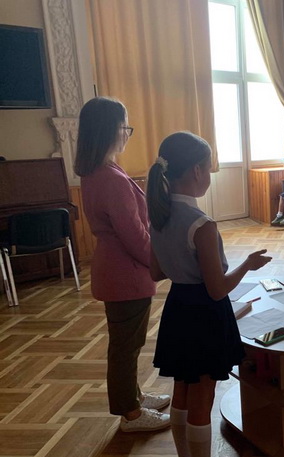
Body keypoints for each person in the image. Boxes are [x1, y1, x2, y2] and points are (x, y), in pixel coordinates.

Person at [147, 131, 271, 457]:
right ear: (197, 171)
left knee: (182, 391)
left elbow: (156, 272)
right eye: (209, 167)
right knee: (202, 398)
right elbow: (217, 290)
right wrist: (247, 265)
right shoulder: (202, 224)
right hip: (204, 314)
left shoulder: (159, 216)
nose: (210, 173)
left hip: (178, 309)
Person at [74, 97, 170, 433]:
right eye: (124, 126)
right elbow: (134, 236)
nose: (127, 133)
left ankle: (134, 397)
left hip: (117, 270)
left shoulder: (97, 171)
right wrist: (162, 264)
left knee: (128, 344)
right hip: (125, 274)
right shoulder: (110, 178)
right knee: (126, 347)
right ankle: (130, 413)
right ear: (108, 130)